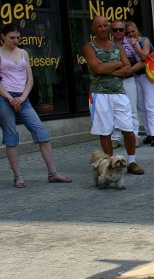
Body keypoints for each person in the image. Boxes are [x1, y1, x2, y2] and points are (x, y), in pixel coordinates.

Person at [0, 23, 72, 187]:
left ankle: (53, 172)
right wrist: (10, 99)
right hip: (5, 97)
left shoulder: (24, 52)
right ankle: (18, 176)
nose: (16, 41)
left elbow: (30, 78)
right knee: (11, 137)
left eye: (18, 37)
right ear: (3, 36)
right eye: (12, 38)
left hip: (23, 98)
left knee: (41, 133)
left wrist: (23, 97)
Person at [83, 16, 144, 175]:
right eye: (100, 26)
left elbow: (128, 68)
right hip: (99, 94)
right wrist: (117, 65)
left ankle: (131, 162)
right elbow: (98, 69)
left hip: (118, 92)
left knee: (128, 128)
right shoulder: (89, 47)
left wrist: (108, 68)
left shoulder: (118, 47)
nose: (103, 29)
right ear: (93, 29)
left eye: (105, 26)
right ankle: (110, 163)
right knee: (105, 131)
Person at [125, 21, 154, 146]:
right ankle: (148, 133)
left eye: (132, 31)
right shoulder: (125, 43)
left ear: (137, 30)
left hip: (147, 76)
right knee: (141, 106)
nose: (130, 34)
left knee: (150, 105)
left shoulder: (143, 40)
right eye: (128, 33)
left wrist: (135, 46)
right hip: (135, 76)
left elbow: (145, 57)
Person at [110, 20, 141, 148]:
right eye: (115, 30)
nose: (118, 32)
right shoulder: (107, 45)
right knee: (113, 109)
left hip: (128, 80)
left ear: (124, 31)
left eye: (121, 29)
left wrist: (128, 71)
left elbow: (142, 61)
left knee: (132, 109)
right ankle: (115, 138)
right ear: (111, 31)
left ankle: (134, 136)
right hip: (112, 81)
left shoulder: (131, 43)